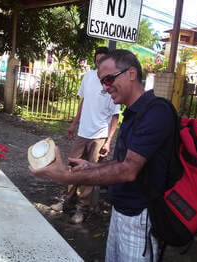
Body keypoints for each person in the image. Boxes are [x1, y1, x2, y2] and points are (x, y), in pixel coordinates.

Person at [29, 49, 176, 261]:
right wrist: (93, 167)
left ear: (131, 73)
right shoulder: (134, 113)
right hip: (122, 212)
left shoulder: (156, 112)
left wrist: (67, 176)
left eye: (108, 80)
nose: (105, 88)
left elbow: (127, 171)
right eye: (102, 83)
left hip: (140, 217)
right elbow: (124, 163)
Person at [52, 46, 121, 225]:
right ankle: (66, 201)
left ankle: (82, 209)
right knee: (72, 167)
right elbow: (83, 102)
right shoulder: (88, 77)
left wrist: (108, 141)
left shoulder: (112, 83)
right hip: (83, 132)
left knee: (90, 173)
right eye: (97, 60)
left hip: (99, 136)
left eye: (103, 60)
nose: (100, 64)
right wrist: (74, 123)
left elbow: (115, 115)